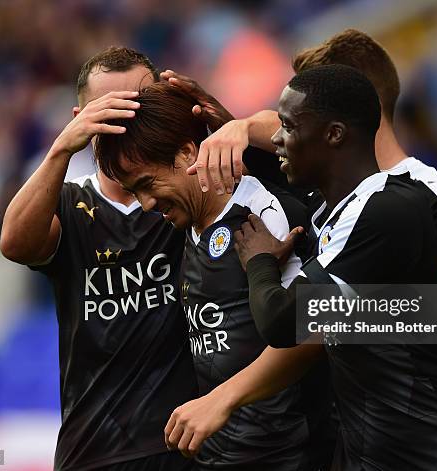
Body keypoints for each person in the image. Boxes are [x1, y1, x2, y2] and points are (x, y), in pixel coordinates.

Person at [231, 64, 437, 471]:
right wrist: (227, 126)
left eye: (289, 127)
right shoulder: (330, 208)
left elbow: (281, 322)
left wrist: (258, 260)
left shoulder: (385, 208)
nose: (277, 138)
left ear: (334, 133)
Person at [160, 29, 437, 307]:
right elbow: (270, 129)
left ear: (349, 107)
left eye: (300, 117)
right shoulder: (324, 175)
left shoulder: (420, 184)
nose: (285, 135)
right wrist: (238, 125)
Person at [94, 81, 331, 470]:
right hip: (222, 456)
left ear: (189, 152)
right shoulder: (186, 224)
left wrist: (220, 400)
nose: (147, 204)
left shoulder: (262, 214)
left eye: (148, 185)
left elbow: (312, 329)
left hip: (288, 456)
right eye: (135, 193)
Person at [0, 47, 200, 471]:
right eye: (110, 111)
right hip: (95, 448)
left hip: (190, 441)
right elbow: (14, 243)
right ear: (81, 119)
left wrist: (232, 126)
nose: (127, 123)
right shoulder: (71, 202)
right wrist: (60, 150)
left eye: (140, 106)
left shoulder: (193, 190)